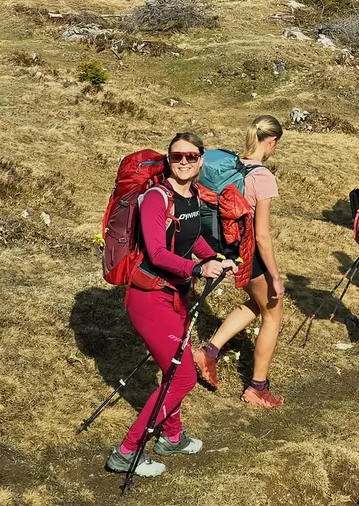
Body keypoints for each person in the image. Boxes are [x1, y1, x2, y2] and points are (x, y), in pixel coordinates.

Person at [108, 133, 232, 478]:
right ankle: (127, 451)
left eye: (191, 156)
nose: (184, 162)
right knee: (183, 378)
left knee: (174, 370)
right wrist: (197, 268)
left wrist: (217, 258)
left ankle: (172, 437)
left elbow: (195, 238)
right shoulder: (155, 198)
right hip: (149, 297)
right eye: (177, 156)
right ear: (169, 158)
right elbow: (158, 252)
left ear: (201, 160)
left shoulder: (191, 196)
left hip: (176, 294)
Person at [194, 115, 286, 408]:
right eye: (275, 145)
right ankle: (257, 387)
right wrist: (275, 276)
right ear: (270, 142)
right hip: (248, 251)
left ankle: (209, 351)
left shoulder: (231, 166)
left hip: (220, 247)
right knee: (273, 311)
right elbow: (261, 236)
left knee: (256, 305)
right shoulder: (262, 176)